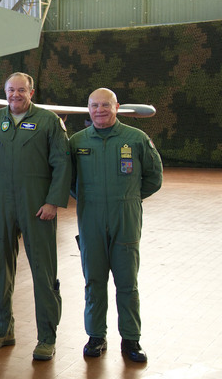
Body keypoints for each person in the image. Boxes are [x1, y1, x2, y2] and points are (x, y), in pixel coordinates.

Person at [0, 72, 71, 361]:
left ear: (32, 92)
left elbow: (62, 163)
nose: (15, 95)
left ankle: (47, 337)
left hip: (37, 205)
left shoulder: (49, 122)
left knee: (43, 269)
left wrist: (53, 201)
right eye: (10, 90)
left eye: (21, 90)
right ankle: (2, 328)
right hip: (1, 204)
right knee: (0, 267)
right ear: (5, 92)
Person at [69, 88, 163, 362]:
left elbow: (154, 177)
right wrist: (91, 200)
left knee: (127, 283)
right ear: (88, 108)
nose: (100, 110)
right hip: (91, 220)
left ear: (117, 107)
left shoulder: (136, 139)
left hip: (126, 219)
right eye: (94, 105)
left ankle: (131, 340)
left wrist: (129, 197)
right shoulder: (77, 142)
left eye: (105, 105)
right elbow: (70, 181)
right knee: (94, 281)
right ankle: (96, 336)